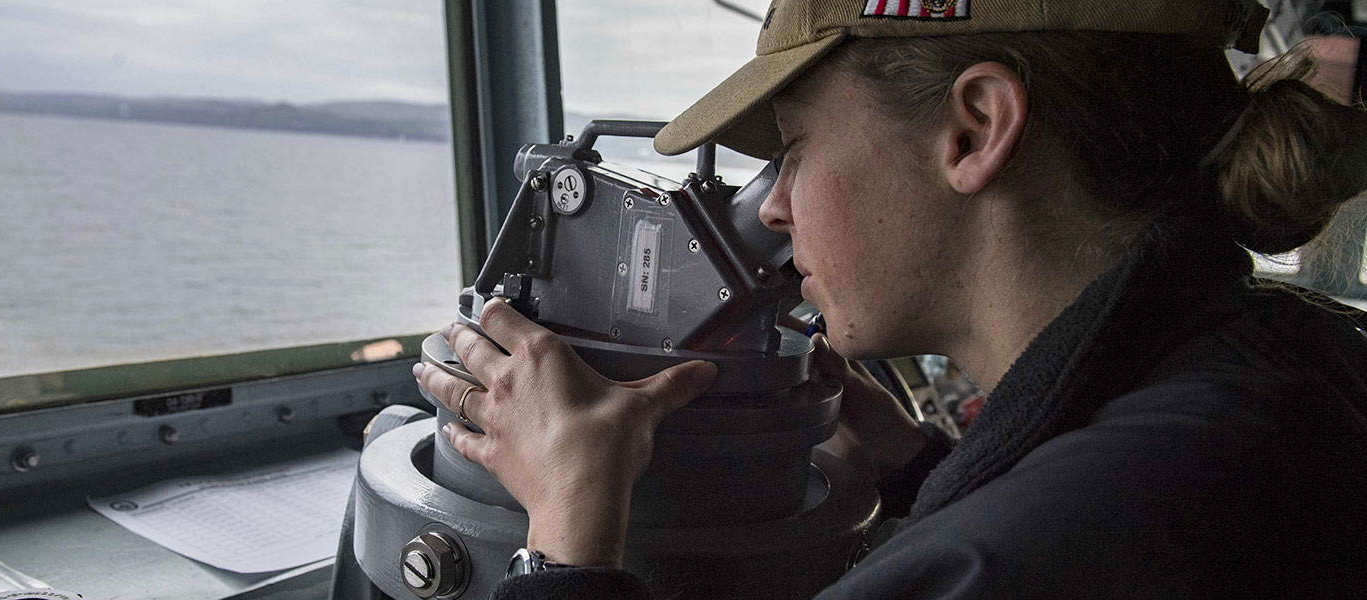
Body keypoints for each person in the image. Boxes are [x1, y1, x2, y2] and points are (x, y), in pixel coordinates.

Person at [411, 0, 1367, 597]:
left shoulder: (1032, 553)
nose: (776, 208)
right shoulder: (1282, 367)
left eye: (792, 149)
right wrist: (922, 470)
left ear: (973, 130)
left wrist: (570, 542)